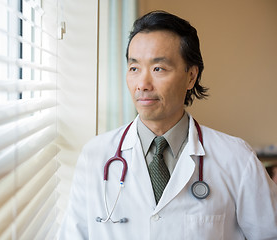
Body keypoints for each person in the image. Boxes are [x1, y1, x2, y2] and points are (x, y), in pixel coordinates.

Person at [58, 10, 277, 239]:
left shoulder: (236, 159)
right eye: (134, 68)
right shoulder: (96, 155)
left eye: (158, 69)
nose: (142, 84)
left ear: (191, 76)